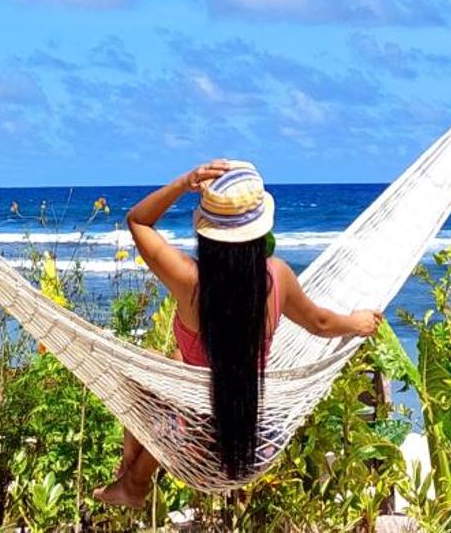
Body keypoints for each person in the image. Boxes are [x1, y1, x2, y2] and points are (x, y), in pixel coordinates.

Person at [94, 159, 382, 507]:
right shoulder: (277, 277)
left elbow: (138, 220)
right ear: (261, 229)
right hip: (254, 441)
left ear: (207, 229)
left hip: (194, 442)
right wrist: (356, 322)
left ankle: (134, 478)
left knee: (149, 368)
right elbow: (319, 323)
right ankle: (133, 481)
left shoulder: (191, 281)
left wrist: (185, 183)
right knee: (173, 362)